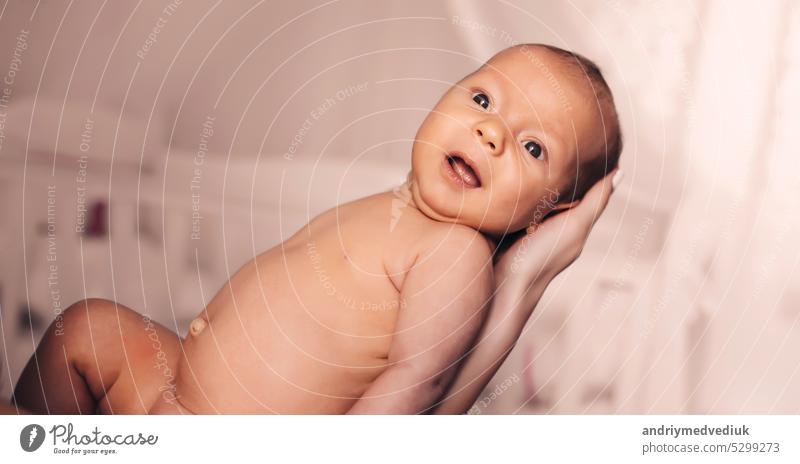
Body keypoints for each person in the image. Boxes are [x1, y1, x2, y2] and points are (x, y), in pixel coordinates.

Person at [12, 43, 622, 414]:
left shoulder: (453, 253)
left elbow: (418, 383)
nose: (491, 132)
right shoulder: (399, 207)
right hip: (171, 391)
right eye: (483, 101)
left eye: (533, 147)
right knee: (88, 330)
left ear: (550, 212)